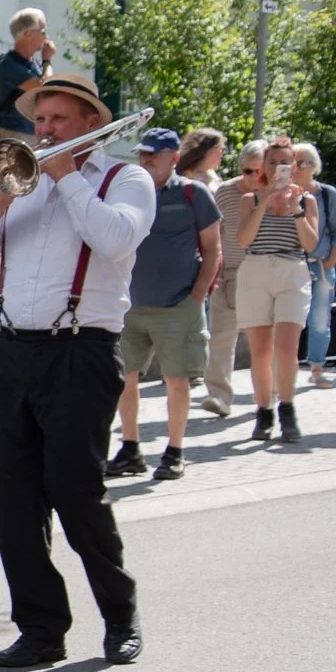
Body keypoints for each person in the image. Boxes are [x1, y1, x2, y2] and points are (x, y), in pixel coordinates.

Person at [0, 71, 154, 669]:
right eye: (40, 121)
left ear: (91, 123)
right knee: (14, 499)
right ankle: (40, 629)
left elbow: (115, 241)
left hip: (79, 351)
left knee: (76, 490)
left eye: (58, 120)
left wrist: (65, 180)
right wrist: (1, 200)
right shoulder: (21, 182)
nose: (44, 131)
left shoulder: (126, 178)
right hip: (9, 350)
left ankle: (120, 615)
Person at [108, 129, 220, 483]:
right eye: (141, 154)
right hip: (130, 305)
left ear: (173, 158)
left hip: (178, 305)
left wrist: (198, 294)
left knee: (177, 380)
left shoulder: (192, 193)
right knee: (124, 379)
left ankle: (174, 451)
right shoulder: (126, 192)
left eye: (152, 155)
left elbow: (213, 248)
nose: (144, 160)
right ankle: (130, 448)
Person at [235, 136, 320, 444]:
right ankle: (263, 411)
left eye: (284, 163)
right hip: (256, 270)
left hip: (292, 271)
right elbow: (244, 239)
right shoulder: (251, 199)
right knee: (261, 351)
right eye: (272, 163)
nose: (278, 168)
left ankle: (287, 408)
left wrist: (295, 209)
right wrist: (267, 199)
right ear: (264, 166)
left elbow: (311, 244)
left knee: (286, 349)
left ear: (294, 166)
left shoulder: (307, 200)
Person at [203, 142, 265, 416]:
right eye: (247, 171)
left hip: (261, 273)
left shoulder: (274, 195)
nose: (253, 177)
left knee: (261, 340)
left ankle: (268, 394)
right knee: (220, 337)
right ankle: (219, 395)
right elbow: (215, 232)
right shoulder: (225, 192)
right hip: (227, 273)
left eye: (259, 171)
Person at [294, 143, 336, 389]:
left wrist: (333, 256)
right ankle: (285, 370)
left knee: (319, 318)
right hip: (292, 264)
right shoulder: (282, 193)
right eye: (292, 160)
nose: (296, 166)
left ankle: (317, 368)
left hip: (320, 265)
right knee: (289, 319)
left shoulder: (326, 194)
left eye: (302, 161)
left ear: (314, 167)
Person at [0, 10, 52, 146]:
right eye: (43, 32)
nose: (46, 38)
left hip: (30, 134)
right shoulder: (8, 65)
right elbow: (46, 88)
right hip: (14, 134)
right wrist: (47, 60)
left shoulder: (31, 63)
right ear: (28, 34)